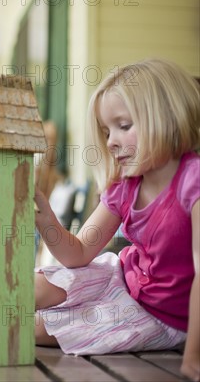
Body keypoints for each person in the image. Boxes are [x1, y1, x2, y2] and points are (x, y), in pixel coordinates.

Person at [33, 58, 199, 381]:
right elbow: (78, 253)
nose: (110, 141)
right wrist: (43, 216)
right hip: (118, 277)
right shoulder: (126, 187)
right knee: (30, 288)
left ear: (167, 118)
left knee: (34, 328)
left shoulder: (192, 179)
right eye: (107, 131)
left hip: (158, 316)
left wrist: (193, 356)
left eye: (124, 126)